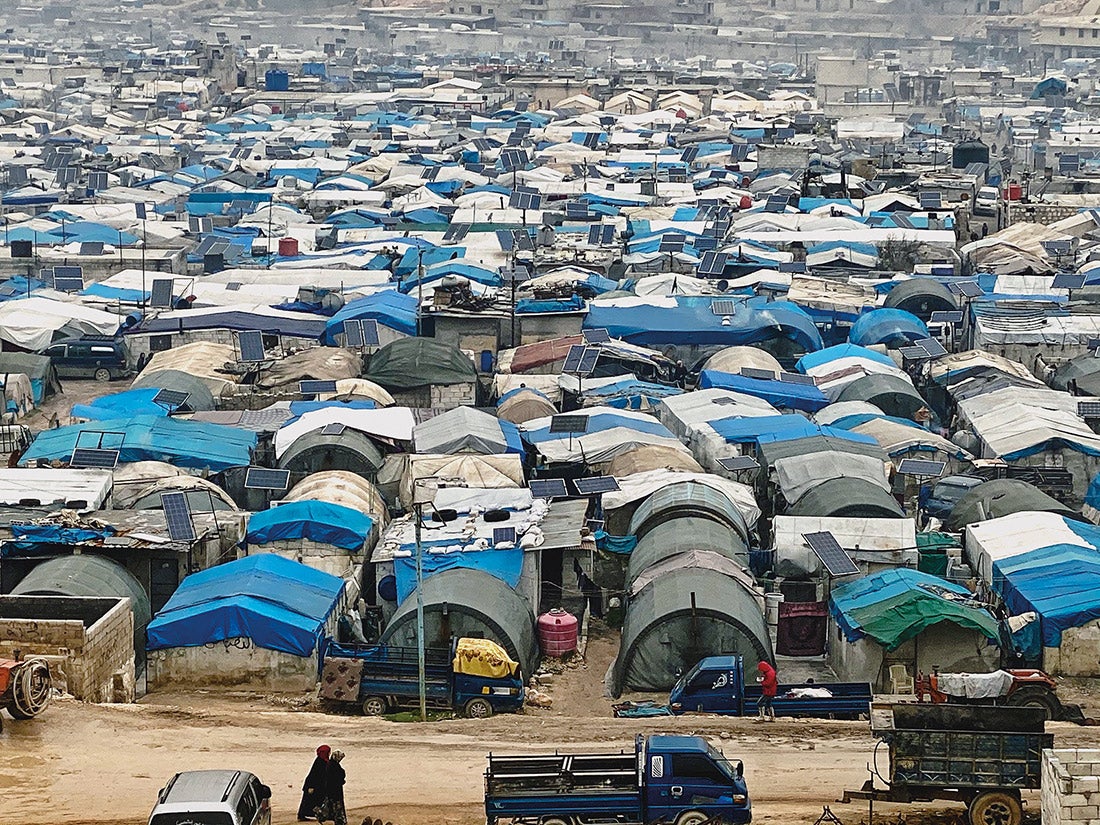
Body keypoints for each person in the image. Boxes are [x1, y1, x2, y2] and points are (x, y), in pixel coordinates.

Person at [298, 745, 330, 821]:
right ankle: (302, 815)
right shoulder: (319, 762)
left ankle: (314, 814)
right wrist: (311, 787)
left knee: (315, 800)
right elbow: (314, 775)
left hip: (317, 786)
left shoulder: (323, 760)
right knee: (307, 801)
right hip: (312, 785)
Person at [316, 750, 347, 825]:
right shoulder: (334, 766)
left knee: (332, 805)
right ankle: (339, 820)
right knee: (336, 806)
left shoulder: (331, 764)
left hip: (331, 790)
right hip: (335, 790)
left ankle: (337, 819)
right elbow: (337, 778)